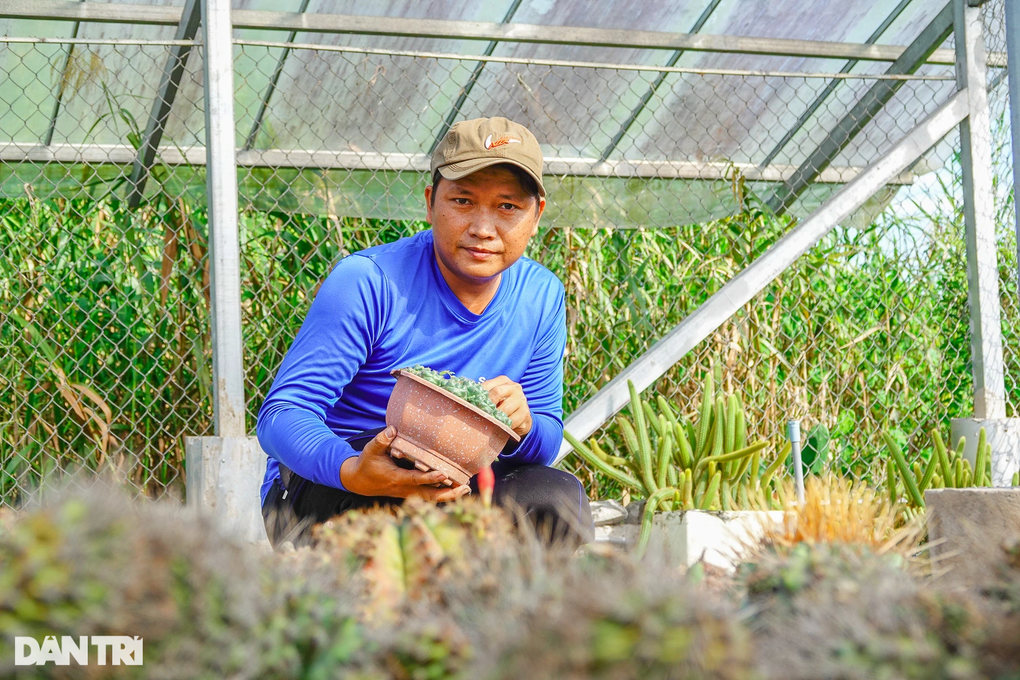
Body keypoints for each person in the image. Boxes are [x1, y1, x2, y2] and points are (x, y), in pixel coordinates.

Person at [257, 116, 594, 550]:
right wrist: (354, 471)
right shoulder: (369, 280)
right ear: (431, 201)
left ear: (536, 216)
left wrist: (524, 426)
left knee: (556, 500)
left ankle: (504, 615)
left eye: (508, 206)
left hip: (459, 480)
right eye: (464, 201)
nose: (483, 228)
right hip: (345, 476)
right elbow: (282, 414)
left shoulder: (540, 294)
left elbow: (545, 438)